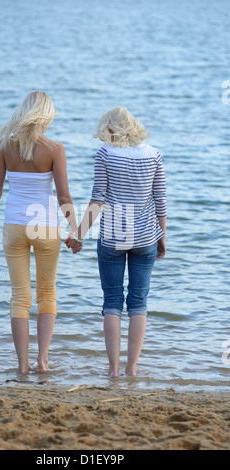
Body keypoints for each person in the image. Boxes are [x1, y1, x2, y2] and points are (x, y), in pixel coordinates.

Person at [0, 91, 78, 375]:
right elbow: (63, 195)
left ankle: (22, 366)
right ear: (46, 115)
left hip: (14, 226)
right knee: (47, 294)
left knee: (19, 297)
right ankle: (42, 361)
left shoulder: (4, 146)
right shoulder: (55, 148)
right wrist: (74, 228)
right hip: (45, 227)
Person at [66, 106, 167, 378]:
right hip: (146, 236)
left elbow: (97, 198)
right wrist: (162, 235)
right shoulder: (153, 154)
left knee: (112, 301)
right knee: (138, 303)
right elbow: (160, 200)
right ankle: (131, 369)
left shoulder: (105, 154)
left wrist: (78, 235)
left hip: (112, 237)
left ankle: (112, 370)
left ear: (109, 129)